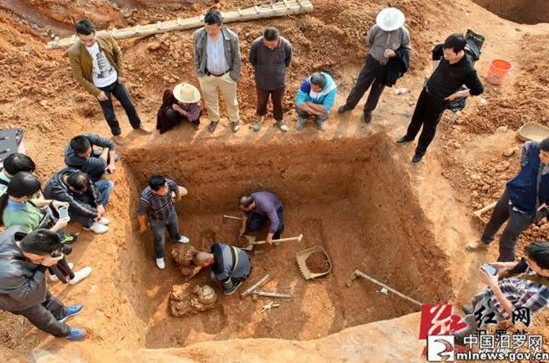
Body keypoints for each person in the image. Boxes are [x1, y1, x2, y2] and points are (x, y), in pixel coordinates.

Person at [396, 33, 484, 163]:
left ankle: (420, 152)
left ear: (459, 52)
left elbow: (478, 89)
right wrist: (435, 70)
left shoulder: (467, 69)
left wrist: (456, 95)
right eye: (445, 53)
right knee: (417, 117)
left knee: (429, 127)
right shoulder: (444, 50)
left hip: (439, 101)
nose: (445, 56)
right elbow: (437, 50)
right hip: (426, 92)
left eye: (449, 55)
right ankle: (409, 136)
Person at [68, 19, 151, 145]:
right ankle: (116, 134)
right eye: (83, 41)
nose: (88, 44)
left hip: (115, 79)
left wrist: (121, 73)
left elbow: (117, 51)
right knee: (109, 114)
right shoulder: (75, 52)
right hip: (100, 87)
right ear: (78, 36)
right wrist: (96, 92)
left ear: (95, 33)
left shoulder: (105, 37)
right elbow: (79, 77)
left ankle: (137, 125)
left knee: (129, 105)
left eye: (91, 40)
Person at [467, 138, 549, 261]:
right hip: (512, 192)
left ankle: (503, 269)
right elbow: (527, 145)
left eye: (545, 155)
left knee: (507, 241)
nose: (540, 156)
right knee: (495, 220)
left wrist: (542, 209)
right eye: (541, 152)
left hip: (526, 210)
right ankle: (484, 242)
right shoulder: (537, 148)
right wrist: (524, 166)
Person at [0, 227, 86, 340]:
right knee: (42, 317)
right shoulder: (9, 271)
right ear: (33, 255)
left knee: (45, 295)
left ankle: (61, 313)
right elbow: (26, 295)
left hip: (23, 280)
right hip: (15, 298)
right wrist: (43, 266)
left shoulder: (17, 231)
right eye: (43, 258)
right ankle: (65, 332)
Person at [455, 241, 549, 343]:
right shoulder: (542, 265)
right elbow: (524, 265)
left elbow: (516, 315)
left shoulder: (541, 295)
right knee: (479, 300)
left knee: (477, 319)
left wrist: (494, 286)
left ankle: (462, 336)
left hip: (498, 308)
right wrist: (505, 265)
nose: (527, 263)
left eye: (530, 263)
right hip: (500, 290)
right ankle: (474, 309)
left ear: (546, 271)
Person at [338, 7, 411, 124]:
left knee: (377, 90)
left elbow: (406, 48)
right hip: (372, 62)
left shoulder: (403, 32)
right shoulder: (376, 28)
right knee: (361, 85)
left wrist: (395, 53)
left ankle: (368, 110)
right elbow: (369, 41)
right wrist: (377, 53)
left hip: (387, 66)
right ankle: (349, 105)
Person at [193, 9, 241, 133]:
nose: (210, 31)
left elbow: (237, 57)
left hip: (227, 75)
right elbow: (197, 55)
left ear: (221, 25)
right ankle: (214, 119)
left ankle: (235, 120)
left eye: (213, 29)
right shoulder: (199, 35)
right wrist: (200, 73)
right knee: (210, 100)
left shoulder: (231, 37)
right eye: (207, 28)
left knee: (231, 100)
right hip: (207, 76)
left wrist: (233, 75)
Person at [137, 175, 190, 270]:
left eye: (166, 186)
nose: (166, 189)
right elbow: (141, 214)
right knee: (159, 239)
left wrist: (178, 197)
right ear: (154, 191)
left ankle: (176, 238)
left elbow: (176, 188)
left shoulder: (168, 183)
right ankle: (159, 256)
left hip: (170, 212)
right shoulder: (145, 198)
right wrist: (143, 225)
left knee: (174, 226)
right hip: (156, 220)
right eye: (163, 189)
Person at [248, 26, 292, 132]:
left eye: (272, 44)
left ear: (278, 39)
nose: (270, 46)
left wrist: (277, 71)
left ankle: (279, 120)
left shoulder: (286, 45)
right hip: (262, 81)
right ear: (263, 39)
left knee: (278, 102)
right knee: (261, 102)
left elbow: (287, 62)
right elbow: (252, 60)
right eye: (266, 44)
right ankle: (259, 119)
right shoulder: (256, 45)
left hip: (278, 81)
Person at [43, 169, 112, 234]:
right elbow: (76, 206)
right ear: (71, 188)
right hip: (61, 209)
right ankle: (90, 224)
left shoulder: (74, 172)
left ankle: (96, 214)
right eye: (80, 192)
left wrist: (99, 203)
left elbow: (90, 184)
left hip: (73, 198)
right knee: (80, 210)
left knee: (107, 184)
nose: (81, 193)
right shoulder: (58, 191)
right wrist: (95, 213)